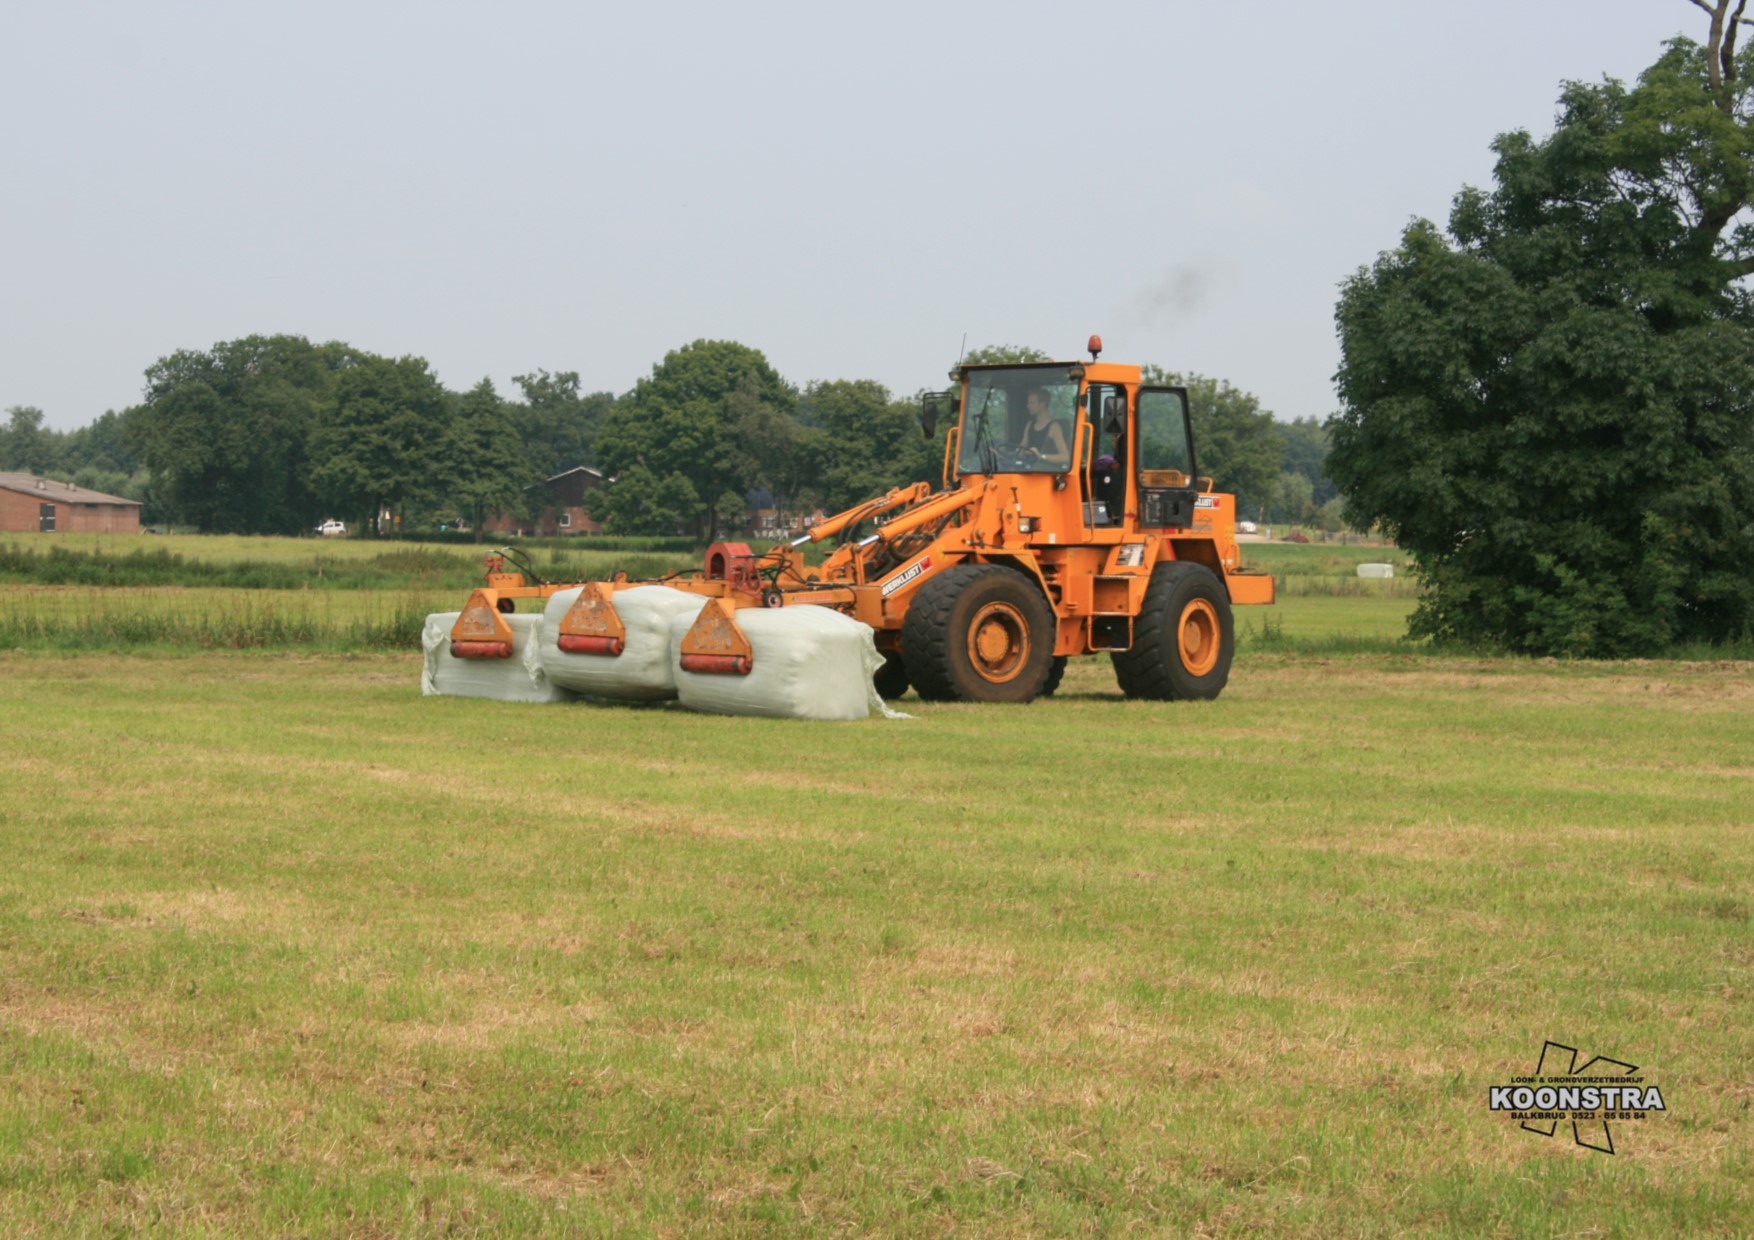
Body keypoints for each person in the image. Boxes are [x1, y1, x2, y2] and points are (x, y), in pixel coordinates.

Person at [1018, 388, 1069, 469]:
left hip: (1046, 471)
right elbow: (1021, 448)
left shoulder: (1054, 427)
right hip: (1029, 469)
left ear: (1042, 404)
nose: (1028, 406)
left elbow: (1065, 457)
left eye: (1032, 403)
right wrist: (1019, 453)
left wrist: (1041, 456)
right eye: (1028, 403)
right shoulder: (1029, 425)